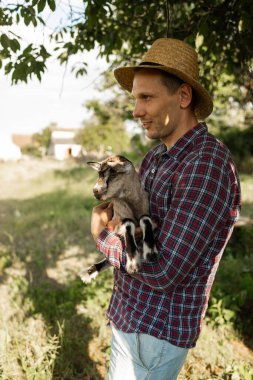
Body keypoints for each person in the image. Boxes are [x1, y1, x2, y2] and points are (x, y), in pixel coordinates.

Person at [90, 38, 241, 380]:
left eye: (147, 97)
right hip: (132, 317)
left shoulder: (206, 165)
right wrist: (117, 217)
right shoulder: (157, 157)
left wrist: (101, 236)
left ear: (183, 97)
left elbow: (164, 270)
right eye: (135, 99)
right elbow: (145, 235)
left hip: (156, 330)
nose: (135, 110)